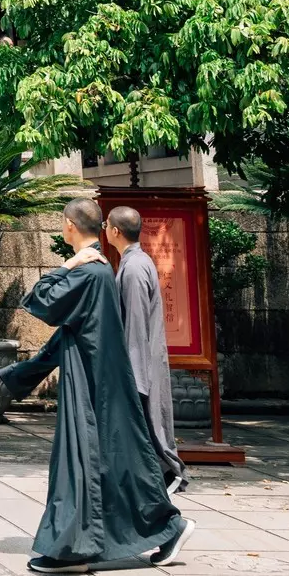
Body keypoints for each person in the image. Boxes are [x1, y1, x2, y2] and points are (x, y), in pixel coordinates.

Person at [0, 198, 193, 574]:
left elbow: (39, 300)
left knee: (82, 461)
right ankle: (159, 528)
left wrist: (67, 263)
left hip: (93, 380)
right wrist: (25, 373)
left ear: (71, 226)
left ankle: (73, 548)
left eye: (62, 222)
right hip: (94, 375)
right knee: (112, 463)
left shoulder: (89, 271)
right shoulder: (104, 269)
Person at [107, 205, 189, 494]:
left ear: (115, 231)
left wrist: (134, 380)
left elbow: (136, 327)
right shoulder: (135, 262)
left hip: (139, 362)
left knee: (149, 427)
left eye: (107, 225)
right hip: (140, 360)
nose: (105, 229)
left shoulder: (133, 268)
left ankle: (165, 478)